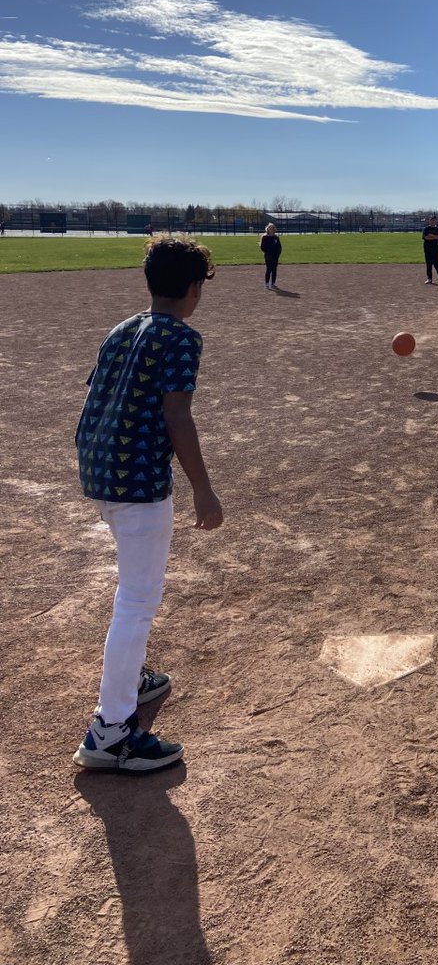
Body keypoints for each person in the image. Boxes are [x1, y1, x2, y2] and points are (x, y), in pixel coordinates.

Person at [73, 234, 223, 773]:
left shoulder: (122, 328)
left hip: (99, 467)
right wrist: (203, 489)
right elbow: (176, 415)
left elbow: (99, 391)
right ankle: (111, 731)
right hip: (136, 482)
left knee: (132, 591)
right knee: (137, 601)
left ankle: (130, 679)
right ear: (193, 288)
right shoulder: (181, 336)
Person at [422, 216, 438, 285]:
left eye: (434, 220)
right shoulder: (426, 229)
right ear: (429, 221)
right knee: (429, 264)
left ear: (436, 221)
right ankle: (429, 278)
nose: (433, 222)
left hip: (436, 249)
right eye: (431, 220)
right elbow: (426, 237)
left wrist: (431, 235)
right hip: (428, 249)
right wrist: (435, 237)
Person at [260, 222, 282, 290]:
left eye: (273, 228)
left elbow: (279, 246)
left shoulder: (276, 237)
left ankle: (273, 283)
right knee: (269, 269)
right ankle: (267, 283)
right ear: (268, 229)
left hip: (275, 256)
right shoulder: (265, 237)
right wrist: (267, 253)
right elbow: (262, 247)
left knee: (274, 270)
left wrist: (278, 253)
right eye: (270, 228)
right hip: (268, 256)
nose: (271, 229)